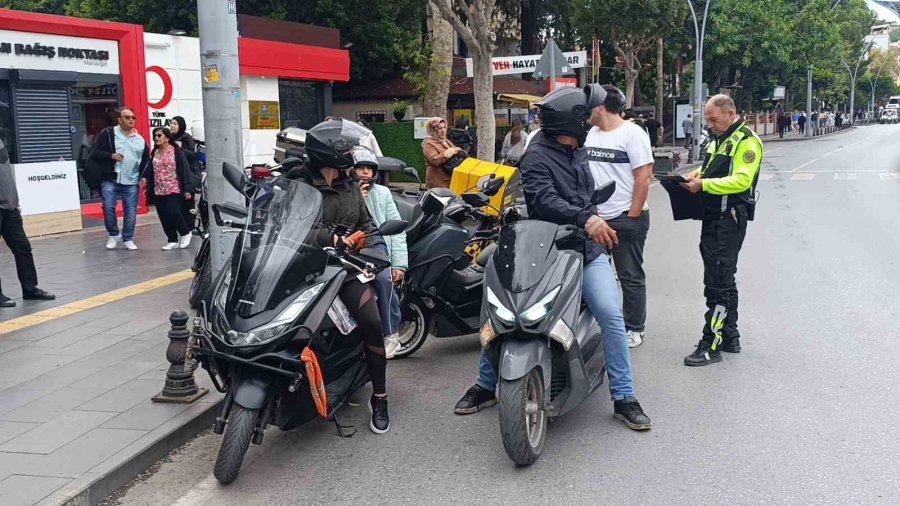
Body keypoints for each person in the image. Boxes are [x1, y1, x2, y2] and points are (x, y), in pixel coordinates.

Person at [453, 85, 651, 431]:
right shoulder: (536, 155)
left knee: (609, 312)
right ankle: (486, 385)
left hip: (585, 250)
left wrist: (593, 214)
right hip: (543, 248)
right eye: (585, 116)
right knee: (498, 310)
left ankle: (624, 396)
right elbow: (543, 200)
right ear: (571, 121)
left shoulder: (578, 148)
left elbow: (586, 193)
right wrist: (586, 218)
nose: (591, 120)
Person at [293, 119, 392, 434]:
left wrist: (378, 255)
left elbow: (368, 224)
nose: (353, 154)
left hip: (344, 269)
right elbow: (293, 225)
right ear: (331, 154)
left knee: (373, 322)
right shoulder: (300, 184)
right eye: (347, 149)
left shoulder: (351, 186)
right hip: (302, 269)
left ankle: (380, 396)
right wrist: (329, 239)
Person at [679, 94, 762, 367]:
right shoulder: (720, 139)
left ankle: (710, 344)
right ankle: (730, 335)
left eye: (713, 119)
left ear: (730, 113)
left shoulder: (747, 141)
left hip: (729, 219)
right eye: (708, 119)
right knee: (724, 277)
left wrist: (703, 185)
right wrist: (695, 176)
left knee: (718, 282)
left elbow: (741, 180)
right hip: (713, 217)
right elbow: (711, 169)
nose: (710, 124)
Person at [585, 85, 654, 348]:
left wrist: (632, 216)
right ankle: (603, 324)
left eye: (591, 105)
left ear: (600, 107)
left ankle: (634, 328)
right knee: (598, 275)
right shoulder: (592, 133)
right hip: (596, 219)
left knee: (629, 275)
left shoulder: (632, 133)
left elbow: (644, 176)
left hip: (625, 216)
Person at [351, 146, 408, 359]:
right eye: (360, 168)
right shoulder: (346, 191)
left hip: (374, 243)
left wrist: (399, 264)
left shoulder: (382, 193)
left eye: (369, 168)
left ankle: (390, 332)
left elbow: (395, 228)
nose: (365, 172)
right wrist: (357, 198)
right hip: (349, 243)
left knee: (384, 280)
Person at [0, 138, 55, 308]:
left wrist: (14, 202)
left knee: (23, 247)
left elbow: (6, 172)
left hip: (10, 208)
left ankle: (30, 288)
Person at [90, 107, 149, 250]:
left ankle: (128, 238)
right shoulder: (109, 134)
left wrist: (145, 177)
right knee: (108, 207)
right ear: (119, 120)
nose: (131, 120)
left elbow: (146, 161)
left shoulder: (140, 139)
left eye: (133, 117)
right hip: (111, 178)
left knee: (130, 211)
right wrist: (111, 156)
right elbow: (96, 152)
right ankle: (113, 234)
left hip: (132, 179)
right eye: (127, 117)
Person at [141, 127, 195, 250]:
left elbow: (185, 170)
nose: (156, 138)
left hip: (174, 187)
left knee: (173, 211)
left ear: (167, 137)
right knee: (164, 215)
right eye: (155, 135)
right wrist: (145, 178)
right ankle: (172, 239)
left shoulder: (177, 152)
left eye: (159, 135)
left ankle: (185, 232)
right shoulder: (154, 152)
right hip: (159, 189)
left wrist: (187, 189)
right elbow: (150, 168)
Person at [169, 116, 201, 231]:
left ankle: (190, 225)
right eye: (171, 123)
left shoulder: (187, 138)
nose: (172, 126)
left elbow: (193, 155)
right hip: (174, 174)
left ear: (181, 125)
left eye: (175, 124)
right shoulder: (169, 138)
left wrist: (180, 148)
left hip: (188, 173)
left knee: (188, 200)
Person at [422, 117, 462, 189]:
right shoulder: (429, 144)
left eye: (444, 127)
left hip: (450, 182)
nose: (443, 131)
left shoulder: (446, 141)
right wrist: (450, 152)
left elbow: (455, 149)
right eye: (440, 128)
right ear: (433, 130)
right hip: (437, 184)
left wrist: (460, 152)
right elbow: (434, 160)